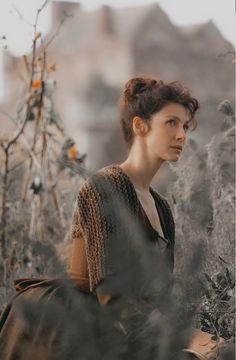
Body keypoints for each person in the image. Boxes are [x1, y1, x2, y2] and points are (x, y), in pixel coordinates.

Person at [68, 77, 200, 357]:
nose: (182, 135)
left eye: (185, 126)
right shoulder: (104, 186)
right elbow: (113, 297)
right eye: (171, 123)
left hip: (138, 328)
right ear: (140, 125)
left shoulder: (161, 207)